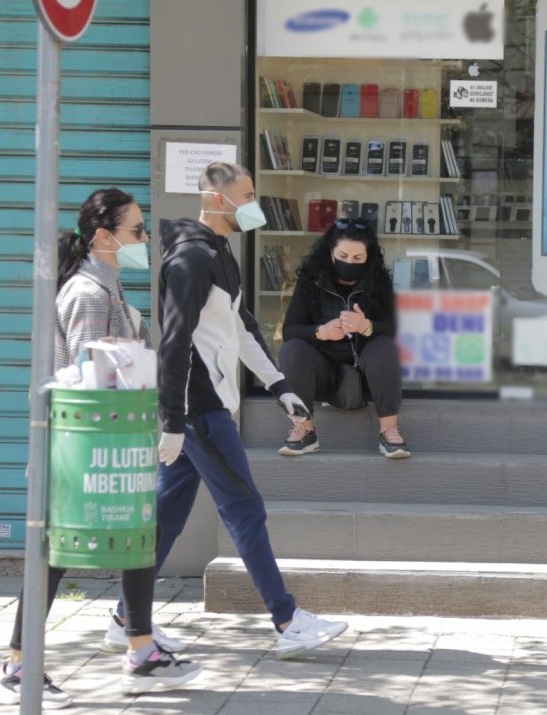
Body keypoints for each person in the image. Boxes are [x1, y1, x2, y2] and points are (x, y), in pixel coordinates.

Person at [0, 189, 201, 710]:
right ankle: (20, 665)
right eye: (136, 231)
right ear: (104, 237)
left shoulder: (107, 286)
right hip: (82, 449)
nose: (145, 239)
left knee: (136, 536)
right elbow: (90, 378)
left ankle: (140, 648)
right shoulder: (88, 293)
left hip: (109, 445)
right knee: (58, 552)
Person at [153, 161, 348, 658]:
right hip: (201, 410)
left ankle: (125, 617)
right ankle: (286, 620)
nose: (254, 204)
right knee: (244, 506)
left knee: (166, 517)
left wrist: (279, 386)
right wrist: (172, 420)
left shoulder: (221, 254)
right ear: (219, 200)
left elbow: (240, 329)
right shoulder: (189, 261)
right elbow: (173, 343)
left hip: (211, 404)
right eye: (248, 194)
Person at [278, 219, 410, 459]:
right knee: (292, 350)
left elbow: (393, 329)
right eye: (343, 255)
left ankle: (389, 431)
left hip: (368, 376)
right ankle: (305, 431)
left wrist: (367, 326)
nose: (349, 262)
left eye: (358, 258)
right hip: (323, 374)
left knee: (385, 346)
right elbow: (290, 330)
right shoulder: (311, 280)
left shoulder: (379, 283)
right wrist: (321, 331)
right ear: (330, 252)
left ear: (368, 257)